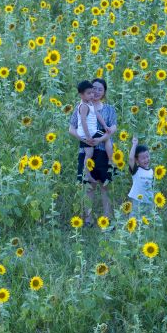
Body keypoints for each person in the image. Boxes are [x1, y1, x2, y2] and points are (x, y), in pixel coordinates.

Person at [68, 78, 117, 224]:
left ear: (104, 92)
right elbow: (71, 129)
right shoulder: (82, 106)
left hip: (103, 151)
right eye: (93, 89)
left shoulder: (109, 109)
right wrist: (86, 140)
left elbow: (113, 128)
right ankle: (88, 220)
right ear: (87, 91)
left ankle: (107, 219)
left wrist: (100, 140)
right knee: (88, 186)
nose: (96, 92)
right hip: (87, 151)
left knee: (105, 186)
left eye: (100, 89)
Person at [76, 80, 114, 182]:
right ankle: (86, 173)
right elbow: (83, 122)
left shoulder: (90, 104)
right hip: (86, 135)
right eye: (89, 93)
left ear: (104, 92)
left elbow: (97, 115)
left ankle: (111, 160)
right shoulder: (83, 106)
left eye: (95, 91)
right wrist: (87, 137)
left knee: (107, 137)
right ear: (81, 95)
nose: (93, 94)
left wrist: (105, 126)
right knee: (89, 154)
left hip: (93, 133)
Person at [127, 135, 154, 218]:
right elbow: (131, 158)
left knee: (148, 219)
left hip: (149, 200)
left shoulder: (151, 171)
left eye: (147, 156)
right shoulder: (136, 170)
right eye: (143, 158)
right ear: (137, 160)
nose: (146, 160)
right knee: (135, 218)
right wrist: (134, 144)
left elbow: (152, 186)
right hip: (137, 200)